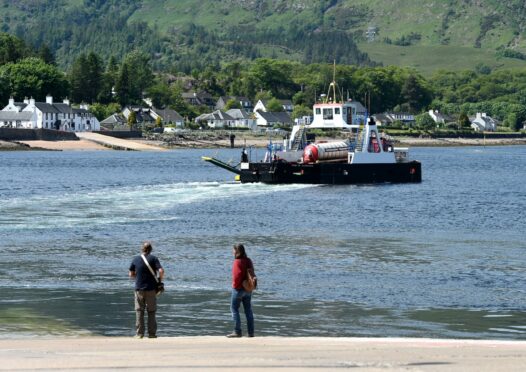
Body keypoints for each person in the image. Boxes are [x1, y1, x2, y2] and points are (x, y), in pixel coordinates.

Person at [129, 241, 164, 339]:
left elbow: (131, 274)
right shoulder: (154, 259)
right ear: (151, 249)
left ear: (142, 249)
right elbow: (161, 271)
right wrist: (160, 279)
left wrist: (138, 276)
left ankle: (139, 334)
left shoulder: (136, 259)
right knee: (151, 311)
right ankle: (152, 334)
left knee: (139, 311)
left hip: (139, 288)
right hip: (151, 289)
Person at [227, 243, 256, 338]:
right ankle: (251, 332)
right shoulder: (248, 260)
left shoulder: (237, 261)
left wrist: (235, 286)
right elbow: (252, 273)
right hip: (248, 289)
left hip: (238, 289)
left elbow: (236, 276)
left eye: (233, 250)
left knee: (234, 308)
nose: (232, 252)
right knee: (248, 310)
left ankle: (237, 331)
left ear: (237, 251)